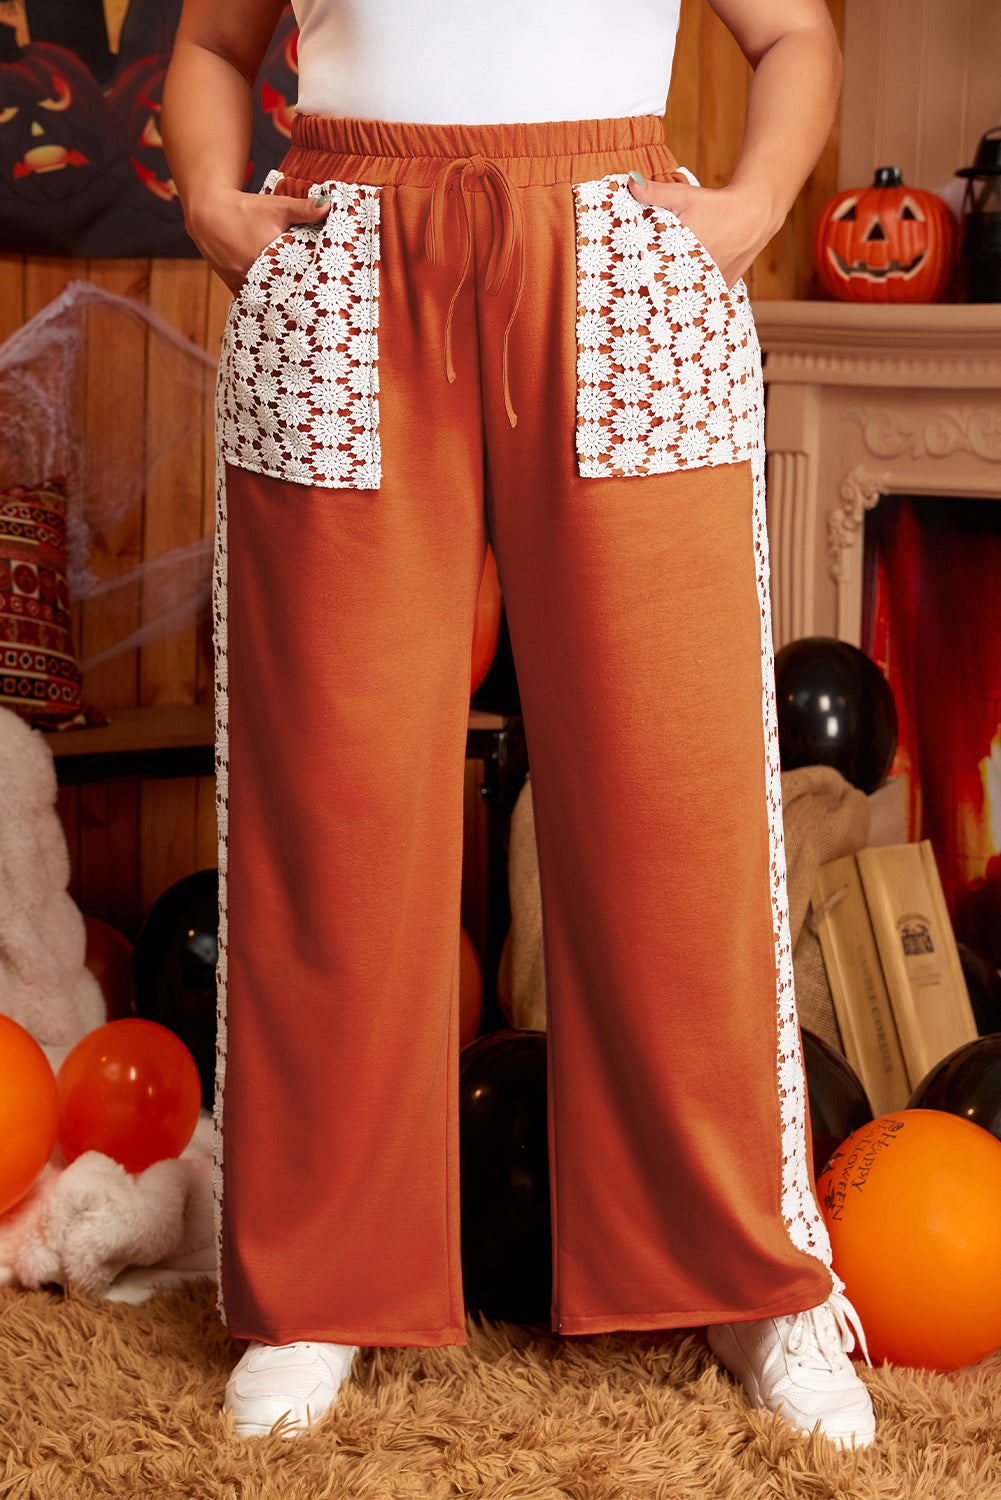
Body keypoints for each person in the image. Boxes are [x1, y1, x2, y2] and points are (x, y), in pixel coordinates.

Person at [161, 0, 876, 1451]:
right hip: (345, 262)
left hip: (621, 260)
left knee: (674, 792)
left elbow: (794, 35)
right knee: (333, 794)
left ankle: (744, 1274)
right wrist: (209, 204)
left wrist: (752, 205)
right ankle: (316, 1287)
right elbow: (212, 45)